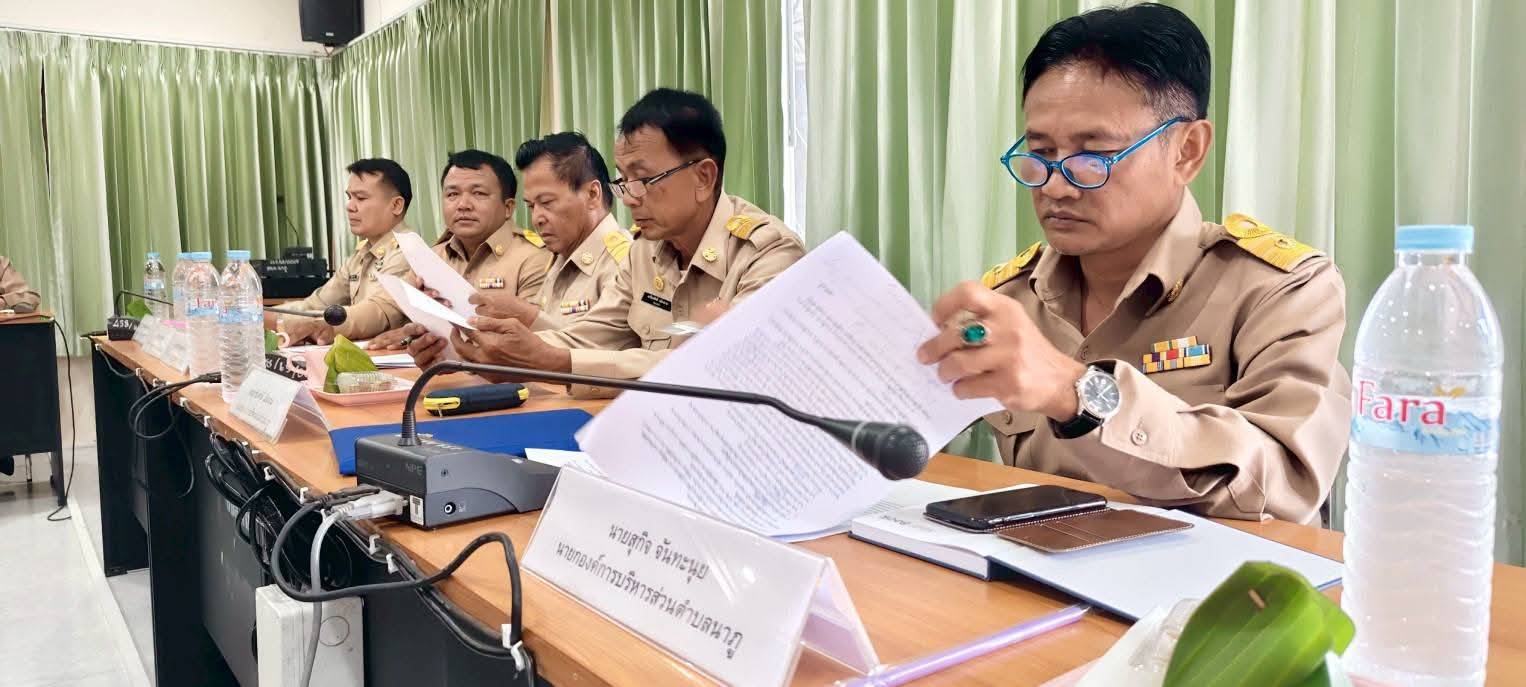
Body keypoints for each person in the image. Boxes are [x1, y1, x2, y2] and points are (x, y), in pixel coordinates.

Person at [916, 4, 1350, 524]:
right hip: (1037, 565)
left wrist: (1076, 393)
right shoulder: (1011, 298)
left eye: (1092, 157)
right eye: (1041, 154)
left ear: (1187, 150)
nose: (1056, 187)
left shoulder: (1280, 290)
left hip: (1216, 574)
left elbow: (1285, 485)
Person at [420, 89, 805, 396]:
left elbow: (712, 369)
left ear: (703, 177)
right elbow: (590, 336)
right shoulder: (645, 251)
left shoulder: (768, 253)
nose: (630, 198)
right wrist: (487, 347)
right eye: (623, 179)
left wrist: (547, 360)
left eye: (644, 179)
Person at [400, 132, 630, 369]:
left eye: (547, 202)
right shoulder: (561, 259)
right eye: (531, 206)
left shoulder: (624, 261)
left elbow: (600, 358)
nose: (537, 218)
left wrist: (528, 317)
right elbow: (536, 354)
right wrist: (446, 353)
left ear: (592, 195)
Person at [368, 149, 552, 350]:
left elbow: (534, 341)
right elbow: (389, 305)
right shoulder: (432, 256)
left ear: (508, 207)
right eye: (452, 194)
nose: (463, 205)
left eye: (479, 193)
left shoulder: (535, 258)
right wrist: (415, 333)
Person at [271, 158, 416, 345]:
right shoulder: (361, 253)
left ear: (396, 205)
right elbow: (316, 304)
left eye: (361, 198)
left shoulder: (408, 251)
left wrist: (316, 325)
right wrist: (265, 315)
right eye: (350, 197)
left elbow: (377, 313)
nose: (350, 206)